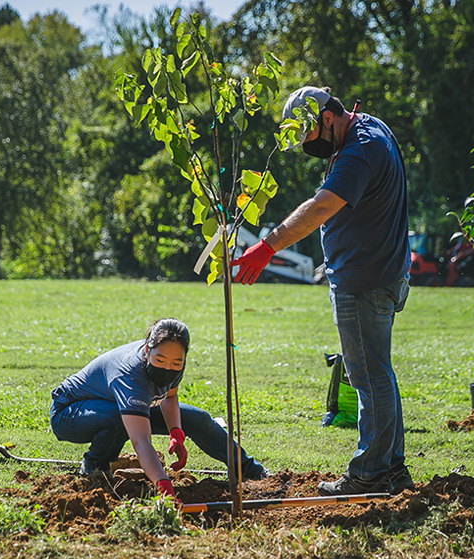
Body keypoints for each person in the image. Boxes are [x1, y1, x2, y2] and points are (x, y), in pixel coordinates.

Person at [231, 86, 413, 496]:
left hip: (364, 281)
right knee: (377, 373)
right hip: (379, 273)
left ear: (327, 118)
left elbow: (319, 208)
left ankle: (370, 473)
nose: (309, 147)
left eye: (311, 136)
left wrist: (267, 246)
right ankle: (393, 468)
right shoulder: (370, 129)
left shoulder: (360, 149)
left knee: (368, 377)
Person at [49, 317, 268, 503]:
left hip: (121, 406)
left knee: (196, 418)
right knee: (116, 420)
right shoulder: (130, 375)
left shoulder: (173, 360)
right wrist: (164, 485)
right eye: (160, 359)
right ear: (147, 350)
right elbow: (141, 441)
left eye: (176, 362)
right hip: (70, 413)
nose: (168, 367)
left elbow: (169, 397)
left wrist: (176, 433)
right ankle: (96, 466)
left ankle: (248, 469)